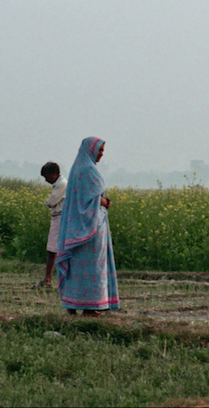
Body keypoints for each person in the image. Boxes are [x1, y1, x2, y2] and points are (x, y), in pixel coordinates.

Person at [55, 136, 117, 317]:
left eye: (103, 151)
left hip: (78, 227)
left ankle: (73, 303)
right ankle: (91, 307)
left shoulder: (77, 168)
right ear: (90, 150)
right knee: (92, 267)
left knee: (77, 266)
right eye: (99, 150)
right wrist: (104, 201)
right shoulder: (87, 169)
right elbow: (88, 199)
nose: (101, 155)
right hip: (90, 229)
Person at [35, 161, 66, 289]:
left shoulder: (62, 184)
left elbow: (51, 201)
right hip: (57, 217)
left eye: (47, 177)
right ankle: (50, 278)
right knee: (54, 250)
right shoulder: (59, 184)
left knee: (52, 250)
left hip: (59, 217)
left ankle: (48, 279)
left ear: (54, 174)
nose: (46, 180)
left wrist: (47, 202)